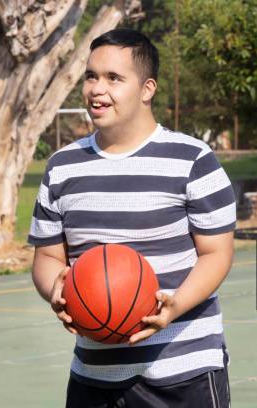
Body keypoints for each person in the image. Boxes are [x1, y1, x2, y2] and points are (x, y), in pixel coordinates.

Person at [28, 28, 236, 408]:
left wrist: (175, 304)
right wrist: (54, 290)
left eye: (113, 78)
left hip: (182, 370)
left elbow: (217, 253)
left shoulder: (192, 159)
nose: (96, 89)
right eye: (91, 76)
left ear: (147, 89)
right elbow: (47, 257)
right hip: (94, 372)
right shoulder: (61, 167)